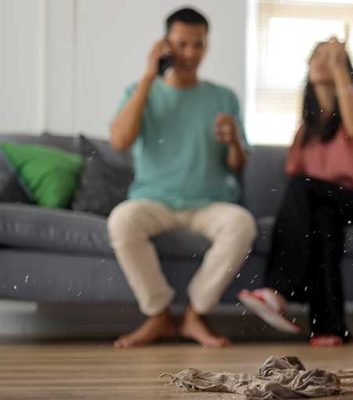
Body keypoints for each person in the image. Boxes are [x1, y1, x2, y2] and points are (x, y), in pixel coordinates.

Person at [107, 7, 256, 348]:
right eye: (182, 44)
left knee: (242, 224)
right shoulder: (140, 91)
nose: (190, 53)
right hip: (154, 200)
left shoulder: (223, 97)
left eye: (198, 45)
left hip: (210, 203)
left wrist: (234, 139)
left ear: (206, 46)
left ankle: (194, 315)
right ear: (166, 46)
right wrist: (148, 76)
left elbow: (238, 165)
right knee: (121, 221)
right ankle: (159, 315)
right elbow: (119, 141)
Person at [238, 39, 353, 347]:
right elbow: (296, 176)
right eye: (318, 56)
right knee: (322, 222)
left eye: (335, 58)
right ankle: (329, 328)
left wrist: (341, 77)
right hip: (329, 206)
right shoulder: (306, 129)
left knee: (304, 189)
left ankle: (278, 291)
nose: (324, 61)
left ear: (346, 68)